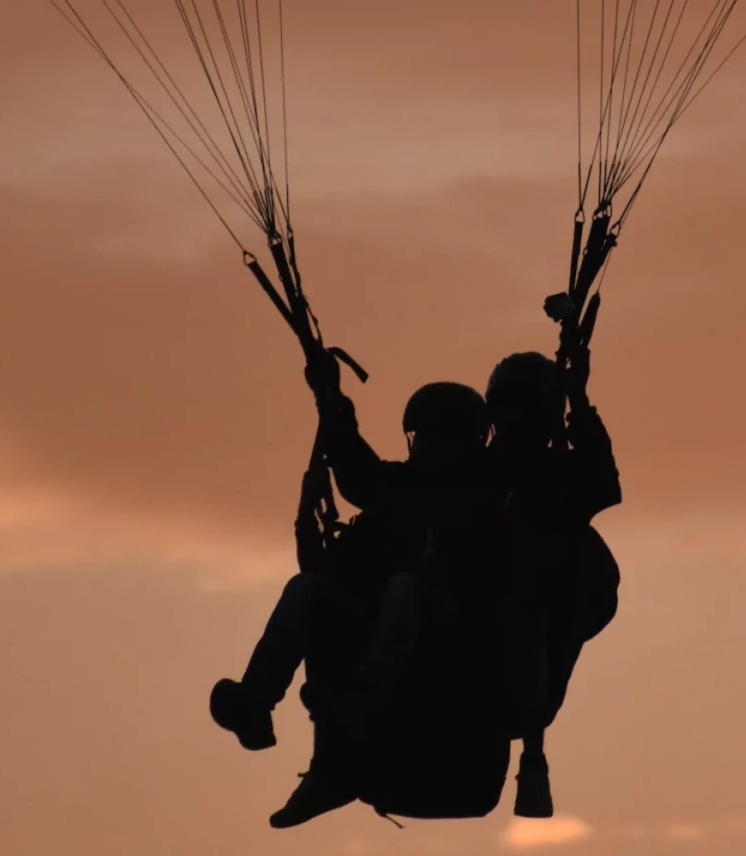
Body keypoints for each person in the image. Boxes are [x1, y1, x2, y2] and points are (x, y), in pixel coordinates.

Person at [209, 359, 504, 827]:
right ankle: (256, 701)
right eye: (425, 437)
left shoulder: (493, 498)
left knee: (408, 587)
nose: (432, 449)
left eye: (444, 437)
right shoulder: (393, 490)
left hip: (450, 636)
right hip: (376, 631)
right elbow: (352, 464)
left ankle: (361, 701)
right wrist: (330, 398)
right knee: (307, 588)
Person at [483, 341, 622, 817]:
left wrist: (579, 399)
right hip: (475, 614)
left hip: (544, 616)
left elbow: (603, 483)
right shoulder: (473, 473)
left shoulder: (561, 478)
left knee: (532, 613)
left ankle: (533, 755)